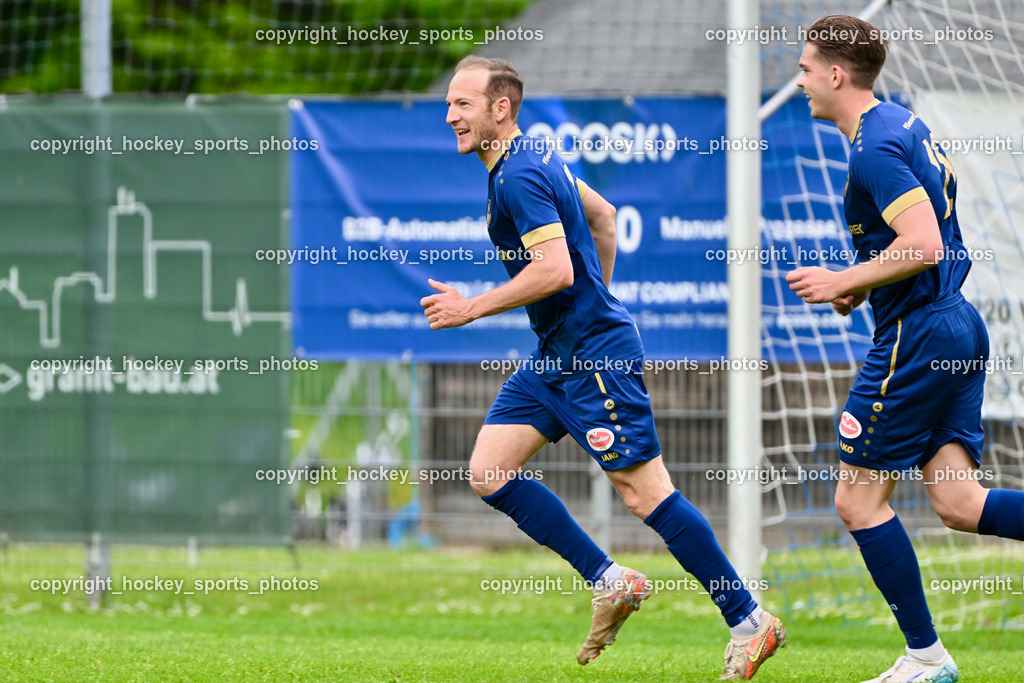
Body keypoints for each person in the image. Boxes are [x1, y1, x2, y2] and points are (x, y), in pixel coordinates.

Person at [421, 55, 785, 679]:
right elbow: (605, 216)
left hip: (592, 356)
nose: (451, 116)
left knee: (646, 495)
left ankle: (750, 621)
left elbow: (556, 270)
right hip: (557, 356)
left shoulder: (518, 175)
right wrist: (595, 305)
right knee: (488, 471)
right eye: (449, 104)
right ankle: (611, 579)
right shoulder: (530, 157)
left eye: (463, 104)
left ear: (500, 108)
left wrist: (472, 308)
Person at [787, 14, 1024, 683]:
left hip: (919, 335)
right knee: (960, 503)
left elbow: (923, 243)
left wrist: (843, 279)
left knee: (857, 501)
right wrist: (863, 286)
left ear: (837, 74)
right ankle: (927, 658)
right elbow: (917, 244)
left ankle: (927, 658)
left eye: (805, 68)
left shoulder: (872, 148)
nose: (800, 80)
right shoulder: (899, 122)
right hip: (953, 322)